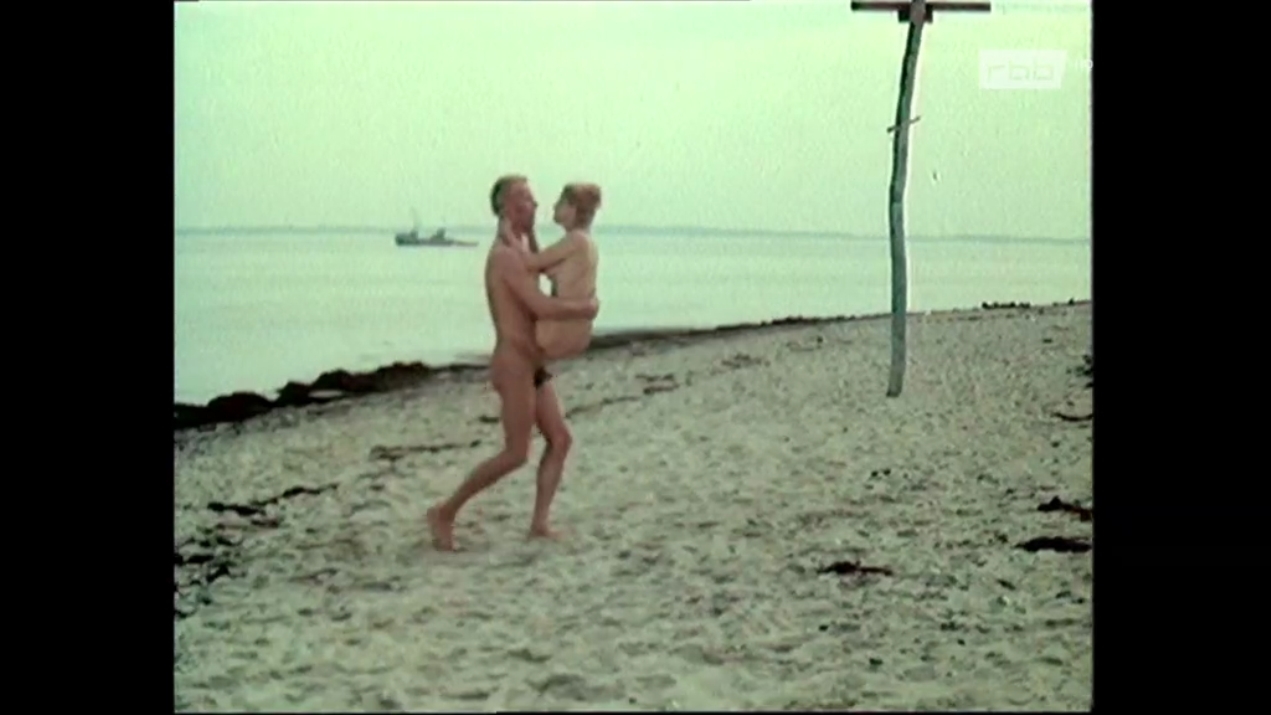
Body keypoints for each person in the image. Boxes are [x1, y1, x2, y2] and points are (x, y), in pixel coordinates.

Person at [426, 175, 599, 551]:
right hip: (514, 361)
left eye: (534, 199)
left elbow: (540, 271)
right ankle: (445, 512)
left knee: (560, 439)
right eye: (525, 199)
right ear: (505, 207)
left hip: (534, 363)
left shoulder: (520, 249)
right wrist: (585, 309)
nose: (534, 205)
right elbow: (540, 306)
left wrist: (533, 238)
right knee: (516, 453)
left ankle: (539, 524)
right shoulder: (504, 256)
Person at [506, 183, 601, 361]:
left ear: (572, 209)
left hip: (561, 330)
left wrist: (508, 233)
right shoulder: (584, 241)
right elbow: (541, 266)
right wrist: (529, 233)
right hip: (576, 330)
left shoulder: (576, 240)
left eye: (560, 203)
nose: (554, 206)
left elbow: (529, 262)